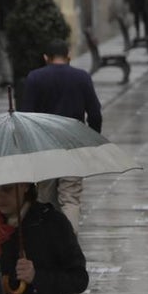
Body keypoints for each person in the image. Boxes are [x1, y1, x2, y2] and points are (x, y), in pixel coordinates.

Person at [19, 39, 103, 232]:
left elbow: (25, 115)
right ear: (68, 57)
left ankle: (48, 244)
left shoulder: (34, 78)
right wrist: (92, 140)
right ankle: (69, 244)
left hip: (43, 145)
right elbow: (95, 114)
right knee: (70, 198)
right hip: (73, 143)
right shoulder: (81, 77)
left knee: (44, 199)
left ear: (45, 58)